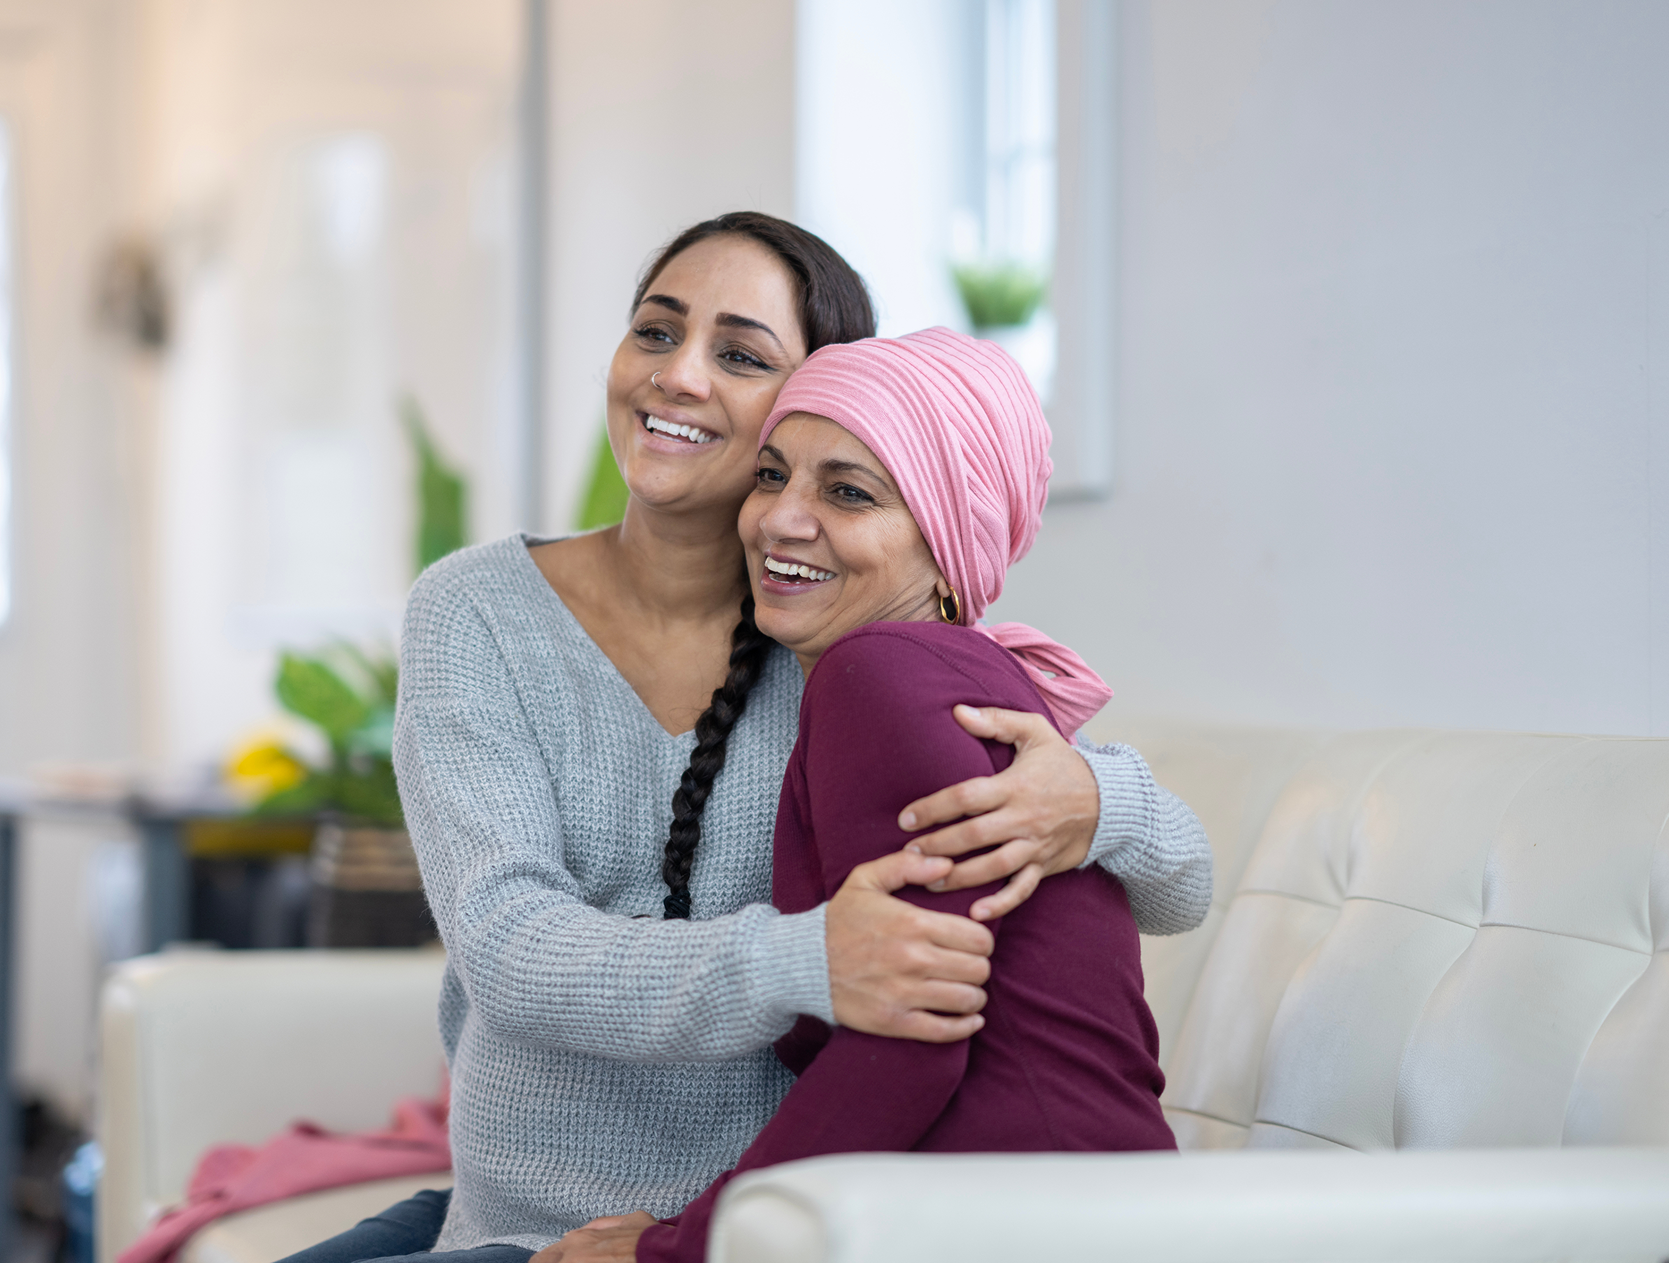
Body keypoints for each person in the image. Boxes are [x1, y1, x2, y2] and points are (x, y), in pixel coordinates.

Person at [281, 214, 1208, 1263]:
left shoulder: (839, 630)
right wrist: (809, 959)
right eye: (656, 331)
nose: (677, 376)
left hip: (731, 1225)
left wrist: (1099, 799)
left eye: (739, 355)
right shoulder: (477, 611)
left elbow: (1175, 880)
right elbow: (507, 945)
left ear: (821, 398)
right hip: (523, 1212)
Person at [534, 329, 1176, 1263]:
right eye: (771, 476)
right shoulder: (947, 673)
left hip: (1033, 1225)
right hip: (1051, 1209)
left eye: (848, 493)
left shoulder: (877, 675)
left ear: (946, 544)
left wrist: (677, 1247)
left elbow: (911, 1038)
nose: (780, 520)